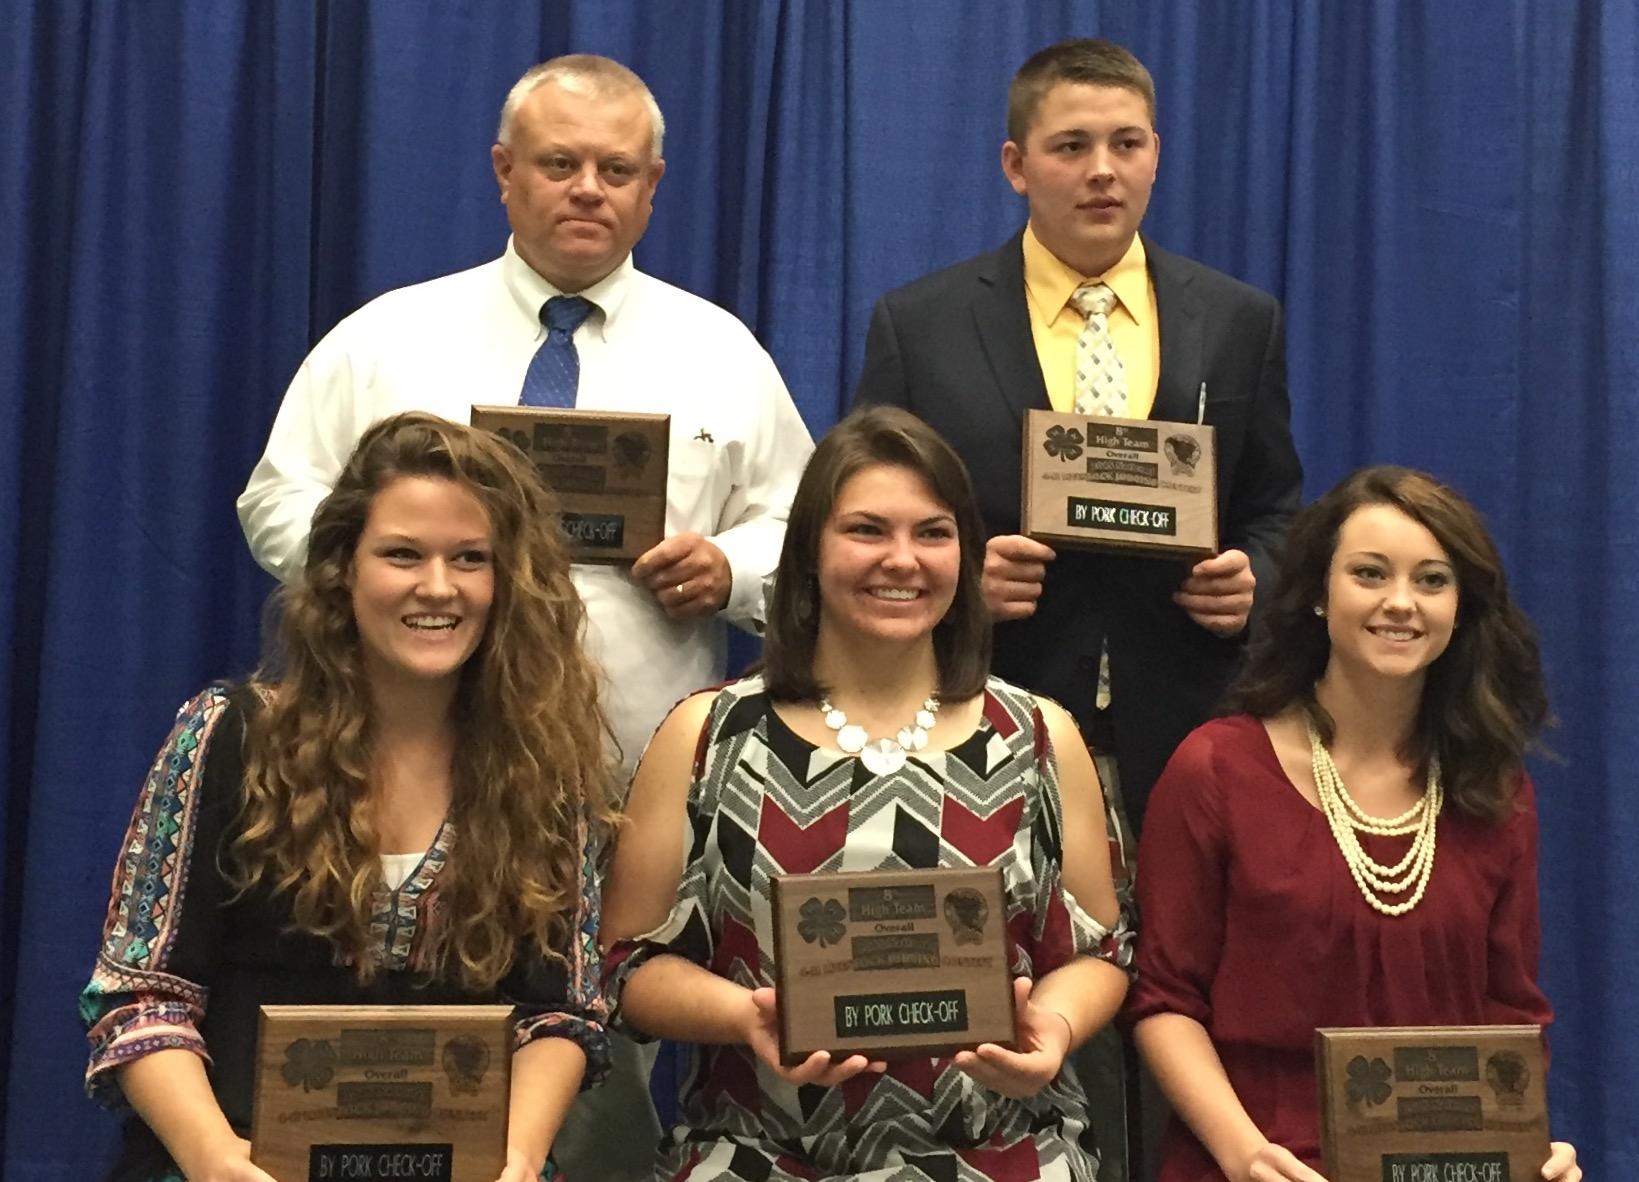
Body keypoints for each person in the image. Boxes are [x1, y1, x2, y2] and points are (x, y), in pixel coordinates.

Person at [236, 53, 814, 781]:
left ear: (652, 186)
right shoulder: (384, 338)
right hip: (402, 772)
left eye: (616, 170)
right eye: (559, 163)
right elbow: (277, 498)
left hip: (639, 781)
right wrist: (381, 558)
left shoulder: (723, 354)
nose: (587, 191)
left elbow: (802, 528)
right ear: (505, 171)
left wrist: (729, 570)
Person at [82, 414, 619, 1182]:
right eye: (403, 554)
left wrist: (517, 1159)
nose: (438, 586)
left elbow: (562, 1012)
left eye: (470, 558)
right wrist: (212, 1160)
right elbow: (140, 997)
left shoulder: (544, 769)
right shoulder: (229, 737)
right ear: (342, 569)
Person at [601, 406, 1133, 1181]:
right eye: (865, 530)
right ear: (809, 551)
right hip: (761, 1157)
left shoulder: (1040, 734)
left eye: (932, 532)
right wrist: (746, 1021)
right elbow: (628, 964)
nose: (901, 560)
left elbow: (1102, 950)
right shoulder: (706, 734)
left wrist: (1049, 1027)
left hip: (1004, 1155)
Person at [852, 38, 1302, 835]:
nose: (1102, 169)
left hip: (1184, 718)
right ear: (1016, 165)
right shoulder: (920, 325)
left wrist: (1251, 580)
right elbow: (859, 515)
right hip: (976, 712)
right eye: (1071, 146)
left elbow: (1274, 508)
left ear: (1154, 156)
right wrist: (952, 582)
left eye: (1125, 144)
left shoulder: (1239, 321)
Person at [1128, 465, 1581, 1182]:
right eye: (1369, 574)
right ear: (1316, 593)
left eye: (1431, 580)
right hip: (1256, 1161)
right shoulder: (1214, 768)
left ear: (1461, 607)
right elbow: (1163, 1001)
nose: (1400, 603)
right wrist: (1246, 1156)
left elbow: (1510, 1020)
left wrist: (1526, 1153)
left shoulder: (1493, 790)